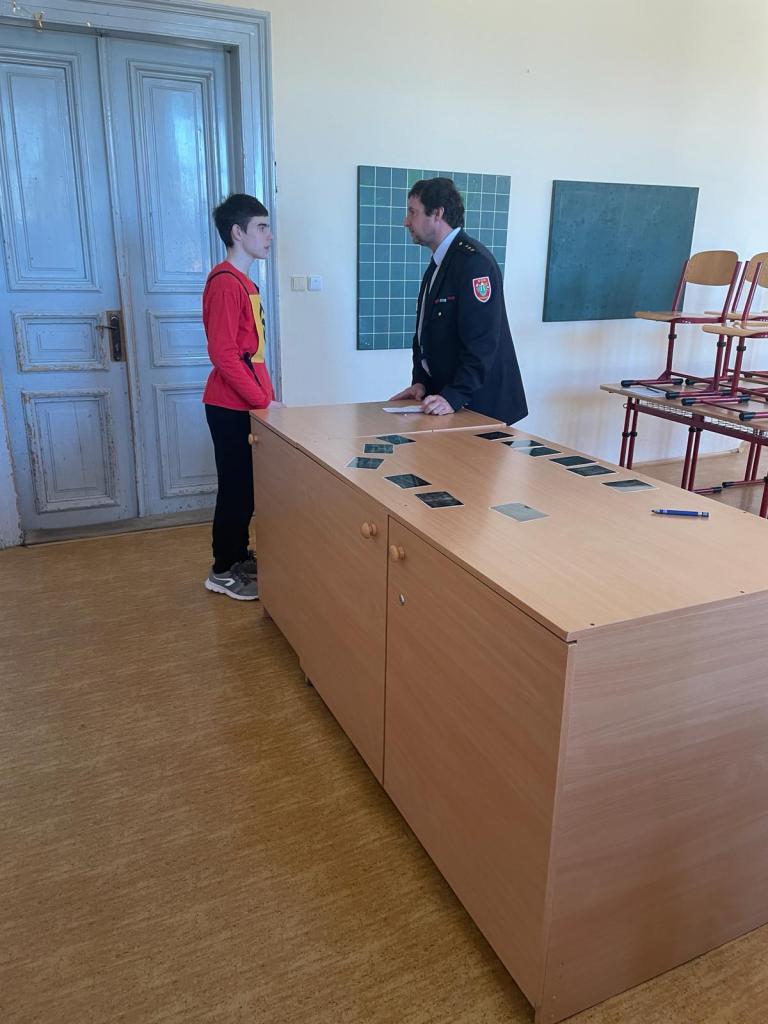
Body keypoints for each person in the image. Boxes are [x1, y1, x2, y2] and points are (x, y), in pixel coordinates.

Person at [390, 177, 527, 424]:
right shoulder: (440, 263)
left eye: (412, 212)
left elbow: (483, 343)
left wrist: (455, 395)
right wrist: (421, 382)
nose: (406, 221)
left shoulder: (474, 263)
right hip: (450, 401)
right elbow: (424, 334)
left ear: (437, 213)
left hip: (481, 407)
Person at [202, 193, 276, 601]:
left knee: (246, 489)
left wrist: (265, 398)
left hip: (247, 404)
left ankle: (237, 554)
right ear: (237, 233)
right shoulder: (225, 283)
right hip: (229, 406)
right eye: (261, 227)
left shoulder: (245, 282)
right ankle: (222, 570)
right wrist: (262, 401)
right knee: (235, 489)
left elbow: (252, 355)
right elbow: (225, 355)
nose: (269, 236)